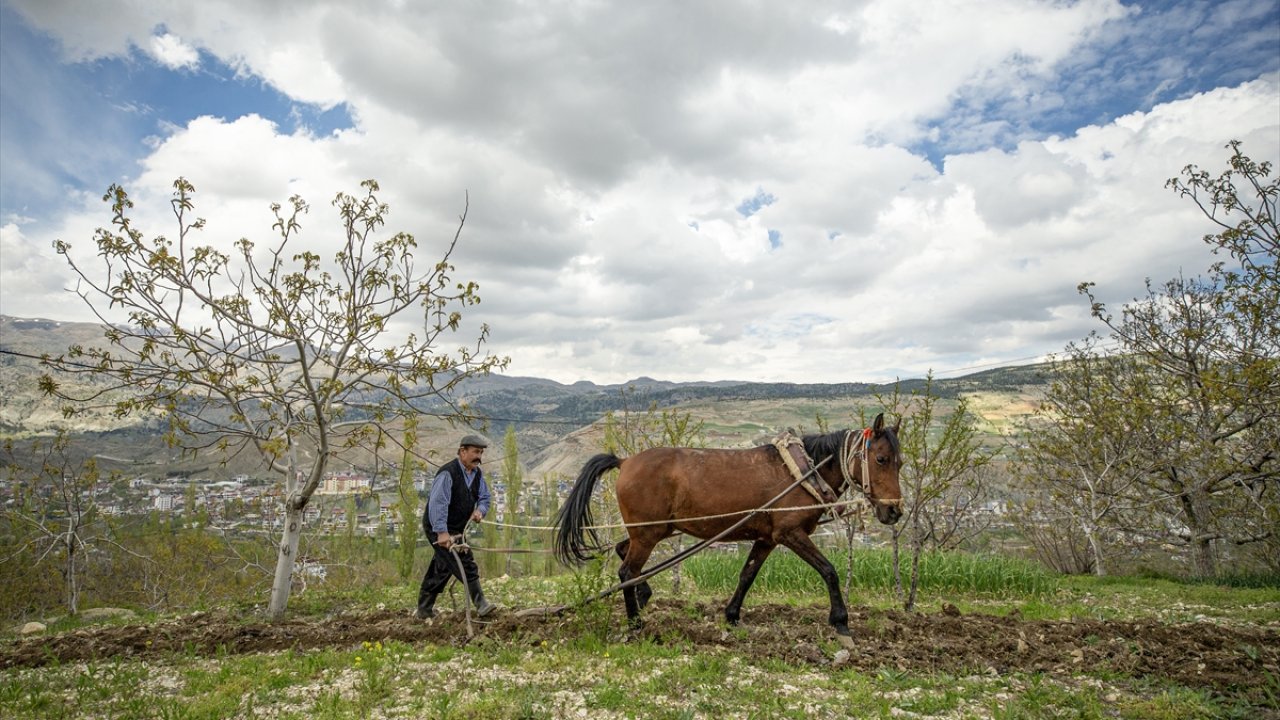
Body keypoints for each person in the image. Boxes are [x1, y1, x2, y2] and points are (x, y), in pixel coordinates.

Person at [416, 434, 496, 619]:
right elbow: (438, 504)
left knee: (443, 565)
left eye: (481, 452)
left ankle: (424, 608)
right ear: (462, 451)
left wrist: (480, 511)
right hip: (439, 527)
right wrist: (442, 533)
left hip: (458, 528)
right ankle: (481, 603)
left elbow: (485, 498)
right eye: (476, 451)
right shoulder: (447, 473)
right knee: (464, 560)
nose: (479, 456)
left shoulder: (477, 474)